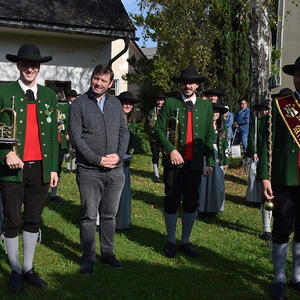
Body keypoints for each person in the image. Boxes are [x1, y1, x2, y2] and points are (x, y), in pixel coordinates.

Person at [0, 43, 59, 292]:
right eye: (25, 64)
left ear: (39, 67)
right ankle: (14, 270)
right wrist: (5, 153)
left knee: (33, 219)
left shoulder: (49, 95)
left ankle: (28, 268)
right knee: (12, 220)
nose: (30, 68)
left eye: (34, 64)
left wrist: (54, 168)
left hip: (41, 168)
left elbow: (54, 134)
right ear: (18, 66)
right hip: (12, 169)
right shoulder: (4, 92)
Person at [69, 64, 129, 274]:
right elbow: (76, 138)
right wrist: (96, 160)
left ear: (110, 84)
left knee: (109, 215)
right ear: (92, 78)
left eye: (104, 80)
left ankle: (108, 253)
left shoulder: (115, 103)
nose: (98, 83)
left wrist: (119, 156)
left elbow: (124, 132)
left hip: (115, 170)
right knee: (88, 216)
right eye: (96, 78)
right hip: (89, 170)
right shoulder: (79, 104)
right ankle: (88, 256)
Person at [154, 67, 215, 258]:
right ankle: (171, 240)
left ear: (197, 85)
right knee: (171, 201)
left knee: (191, 203)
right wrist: (171, 150)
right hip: (174, 163)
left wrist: (210, 161)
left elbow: (209, 136)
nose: (187, 86)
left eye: (191, 83)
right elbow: (158, 130)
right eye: (184, 82)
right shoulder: (171, 103)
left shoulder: (206, 106)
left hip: (194, 164)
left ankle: (185, 241)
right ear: (180, 84)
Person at [257, 57, 300, 300]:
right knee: (282, 228)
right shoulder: (280, 105)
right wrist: (264, 176)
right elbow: (266, 143)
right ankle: (279, 278)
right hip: (285, 178)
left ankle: (297, 277)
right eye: (297, 74)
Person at [245, 100, 271, 241]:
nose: (264, 112)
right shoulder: (255, 121)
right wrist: (254, 151)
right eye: (262, 110)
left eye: (266, 110)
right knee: (257, 178)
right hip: (258, 153)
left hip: (269, 155)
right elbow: (252, 137)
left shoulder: (271, 122)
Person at [198, 102, 230, 217]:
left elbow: (225, 143)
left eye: (217, 112)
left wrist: (226, 159)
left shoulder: (222, 126)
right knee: (204, 183)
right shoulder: (204, 125)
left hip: (218, 155)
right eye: (213, 112)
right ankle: (201, 207)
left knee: (217, 183)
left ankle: (214, 208)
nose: (215, 114)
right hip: (205, 154)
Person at [49, 84, 70, 202]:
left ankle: (53, 193)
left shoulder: (65, 107)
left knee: (56, 168)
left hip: (60, 142)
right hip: (47, 142)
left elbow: (69, 121)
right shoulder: (45, 105)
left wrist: (64, 128)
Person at [144, 92, 167, 183]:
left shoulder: (167, 111)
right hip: (154, 138)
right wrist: (151, 131)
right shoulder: (151, 112)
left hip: (164, 138)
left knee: (166, 156)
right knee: (155, 156)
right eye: (158, 100)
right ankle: (156, 175)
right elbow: (147, 124)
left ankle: (166, 174)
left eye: (161, 100)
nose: (160, 102)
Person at [64, 90, 80, 173]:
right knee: (67, 150)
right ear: (69, 98)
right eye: (72, 97)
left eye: (75, 97)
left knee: (75, 150)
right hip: (68, 130)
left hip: (76, 131)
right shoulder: (66, 107)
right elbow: (66, 121)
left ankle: (73, 168)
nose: (74, 98)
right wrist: (67, 133)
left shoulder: (78, 106)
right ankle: (67, 167)